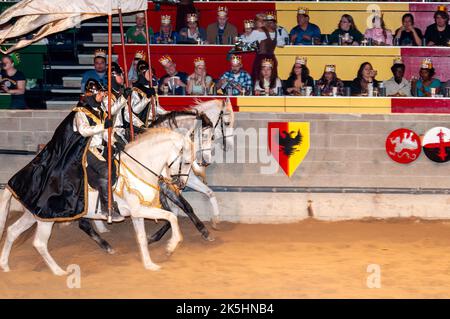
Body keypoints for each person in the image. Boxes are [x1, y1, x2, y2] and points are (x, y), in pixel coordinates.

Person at [7, 79, 124, 222]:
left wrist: (115, 142)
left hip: (99, 148)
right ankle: (108, 207)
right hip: (86, 150)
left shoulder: (99, 111)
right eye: (100, 93)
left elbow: (104, 132)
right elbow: (84, 131)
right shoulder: (80, 112)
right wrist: (103, 126)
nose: (103, 96)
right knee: (106, 170)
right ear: (93, 94)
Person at [245, 13, 278, 80]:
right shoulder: (275, 31)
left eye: (256, 21)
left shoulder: (258, 32)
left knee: (258, 78)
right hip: (272, 58)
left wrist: (246, 34)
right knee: (271, 79)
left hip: (261, 59)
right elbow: (281, 43)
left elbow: (245, 43)